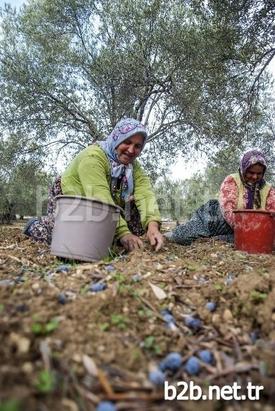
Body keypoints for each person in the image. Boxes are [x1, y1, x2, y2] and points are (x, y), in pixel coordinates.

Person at [24, 118, 164, 252]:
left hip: (106, 208)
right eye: (127, 142)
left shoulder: (133, 166)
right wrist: (123, 233)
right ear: (117, 138)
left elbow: (145, 193)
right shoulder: (93, 157)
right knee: (80, 241)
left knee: (136, 232)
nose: (131, 150)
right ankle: (38, 225)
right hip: (76, 202)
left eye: (138, 146)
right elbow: (100, 197)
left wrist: (153, 226)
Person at [166, 149, 275, 245]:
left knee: (256, 241)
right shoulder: (232, 180)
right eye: (251, 172)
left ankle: (216, 240)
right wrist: (247, 230)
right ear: (244, 169)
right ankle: (167, 235)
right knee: (184, 236)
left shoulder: (268, 189)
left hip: (244, 229)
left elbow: (272, 213)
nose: (255, 176)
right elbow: (228, 210)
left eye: (259, 173)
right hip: (215, 218)